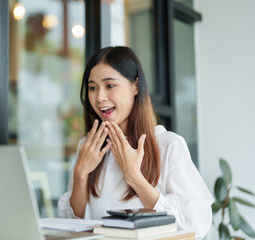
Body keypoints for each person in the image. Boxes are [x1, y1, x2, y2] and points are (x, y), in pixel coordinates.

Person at [58, 46, 214, 238]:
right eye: (93, 88)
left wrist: (134, 177)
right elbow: (72, 225)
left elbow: (195, 225)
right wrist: (80, 174)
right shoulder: (88, 147)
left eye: (110, 85)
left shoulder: (168, 146)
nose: (99, 97)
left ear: (135, 87)